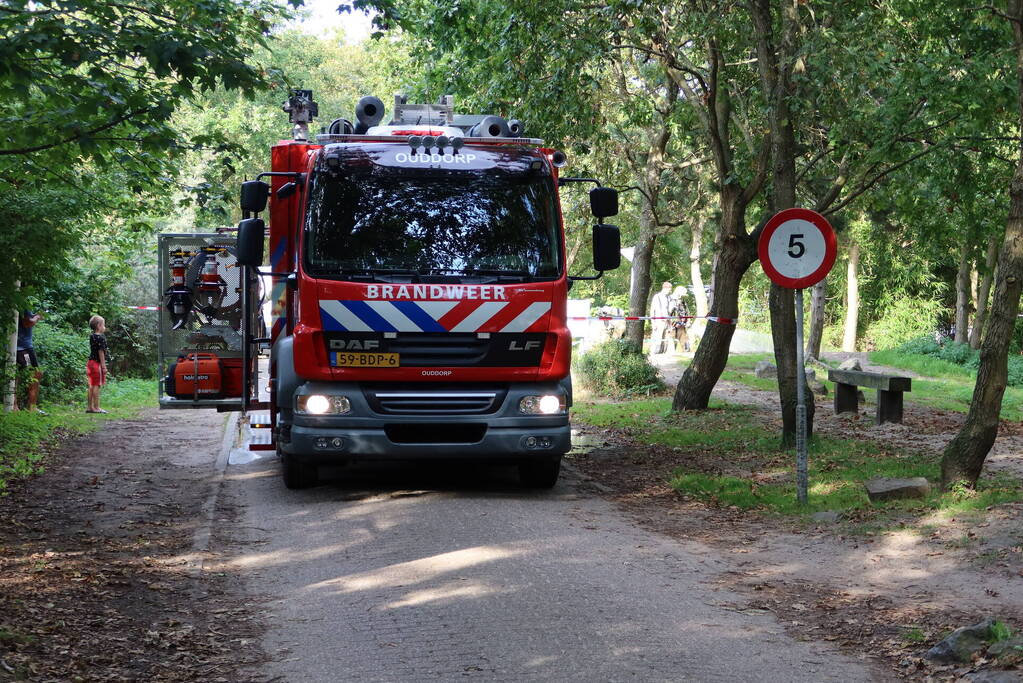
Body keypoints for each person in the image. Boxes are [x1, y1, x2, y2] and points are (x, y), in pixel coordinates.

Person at [15, 310, 45, 414]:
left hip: (26, 346)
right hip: (21, 348)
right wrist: (37, 317)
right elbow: (28, 323)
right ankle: (15, 406)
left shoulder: (27, 304)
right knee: (29, 374)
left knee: (36, 374)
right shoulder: (23, 305)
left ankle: (31, 407)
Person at [86, 315, 109, 414]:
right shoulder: (101, 338)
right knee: (96, 385)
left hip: (90, 363)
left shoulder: (92, 336)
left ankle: (89, 407)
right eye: (103, 325)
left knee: (91, 385)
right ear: (99, 326)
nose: (105, 327)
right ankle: (96, 407)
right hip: (97, 364)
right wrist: (103, 366)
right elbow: (101, 352)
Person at [649, 281, 675, 355]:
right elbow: (652, 311)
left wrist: (670, 322)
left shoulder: (669, 298)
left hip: (667, 322)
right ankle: (654, 355)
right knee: (657, 340)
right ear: (665, 288)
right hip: (658, 322)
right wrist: (653, 323)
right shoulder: (657, 297)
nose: (670, 291)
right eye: (669, 289)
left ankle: (662, 354)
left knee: (665, 341)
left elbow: (669, 311)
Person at [670, 285, 691, 353]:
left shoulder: (683, 302)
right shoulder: (671, 300)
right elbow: (668, 314)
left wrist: (688, 321)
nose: (682, 296)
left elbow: (687, 312)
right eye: (682, 294)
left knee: (685, 344)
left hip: (683, 325)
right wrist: (674, 323)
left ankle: (685, 352)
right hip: (672, 326)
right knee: (671, 344)